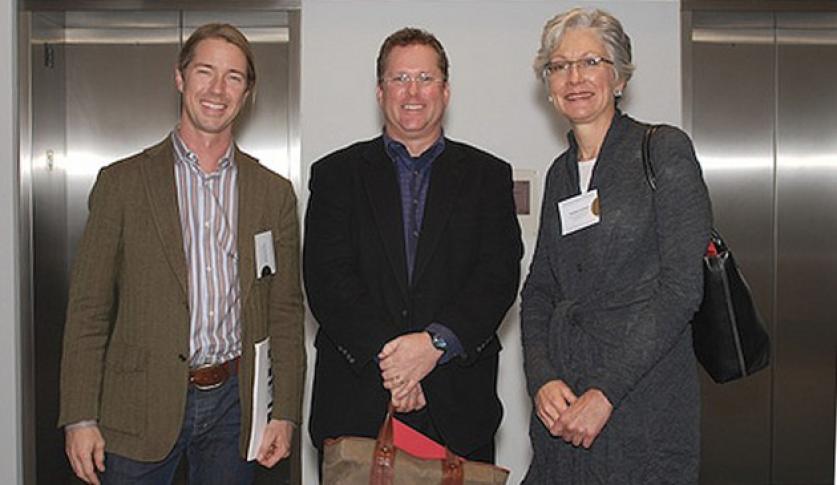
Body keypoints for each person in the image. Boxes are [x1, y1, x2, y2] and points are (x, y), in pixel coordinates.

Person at [58, 23, 305, 485]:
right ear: (180, 78)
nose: (217, 89)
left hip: (236, 406)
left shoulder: (272, 193)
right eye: (205, 72)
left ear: (247, 92)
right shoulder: (122, 184)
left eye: (234, 77)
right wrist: (79, 417)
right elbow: (88, 309)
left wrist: (284, 412)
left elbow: (285, 313)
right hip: (137, 404)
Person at [304, 27, 523, 467]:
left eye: (425, 78)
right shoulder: (335, 174)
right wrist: (399, 364)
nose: (412, 92)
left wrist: (434, 346)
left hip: (459, 409)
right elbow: (327, 279)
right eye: (399, 79)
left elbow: (497, 276)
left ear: (445, 90)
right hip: (357, 404)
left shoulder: (488, 176)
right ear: (380, 91)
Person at [520, 8, 712, 484]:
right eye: (559, 66)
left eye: (590, 62)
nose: (574, 78)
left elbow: (681, 289)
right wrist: (541, 377)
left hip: (641, 410)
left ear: (620, 77)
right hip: (562, 417)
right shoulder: (561, 174)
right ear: (548, 85)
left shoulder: (663, 150)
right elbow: (539, 290)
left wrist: (605, 392)